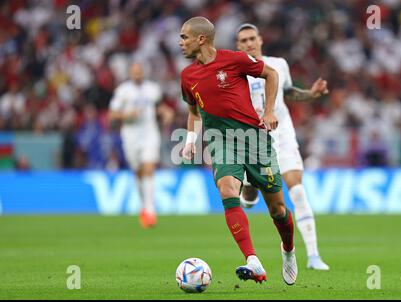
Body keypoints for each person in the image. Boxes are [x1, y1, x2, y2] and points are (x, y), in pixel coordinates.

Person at [180, 17, 298, 285]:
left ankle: (288, 250)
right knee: (227, 190)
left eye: (184, 37)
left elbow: (272, 74)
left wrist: (268, 111)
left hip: (254, 139)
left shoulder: (234, 60)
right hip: (221, 141)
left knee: (278, 209)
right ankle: (252, 260)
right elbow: (193, 110)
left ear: (201, 39)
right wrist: (190, 140)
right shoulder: (187, 76)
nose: (180, 43)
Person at [236, 23, 330, 270]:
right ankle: (248, 192)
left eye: (252, 38)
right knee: (250, 194)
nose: (249, 43)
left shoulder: (278, 64)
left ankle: (313, 255)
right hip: (253, 138)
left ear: (260, 39)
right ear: (238, 45)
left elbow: (288, 92)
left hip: (282, 132)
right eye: (243, 40)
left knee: (297, 190)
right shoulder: (235, 70)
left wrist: (310, 94)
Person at [109, 62, 174, 228]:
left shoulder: (153, 89)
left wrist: (166, 112)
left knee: (149, 168)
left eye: (140, 71)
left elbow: (158, 107)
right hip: (130, 136)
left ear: (143, 72)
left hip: (149, 134)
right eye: (134, 72)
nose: (137, 74)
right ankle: (144, 205)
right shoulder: (123, 91)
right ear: (130, 73)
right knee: (138, 172)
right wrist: (127, 114)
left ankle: (150, 211)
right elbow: (112, 115)